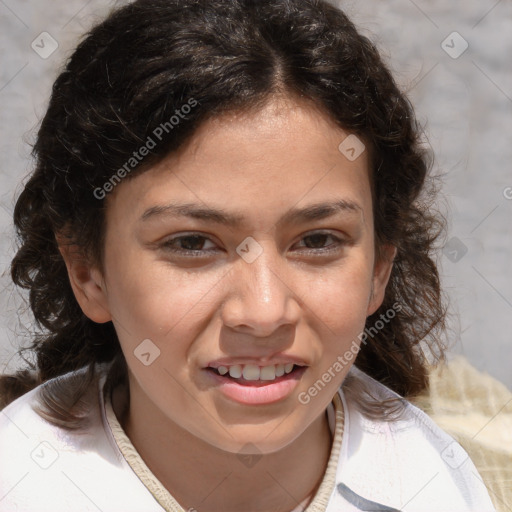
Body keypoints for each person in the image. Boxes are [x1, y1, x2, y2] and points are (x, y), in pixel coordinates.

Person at [0, 0, 497, 511]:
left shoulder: (440, 486)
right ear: (88, 273)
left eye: (318, 240)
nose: (264, 313)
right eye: (192, 243)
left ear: (378, 268)